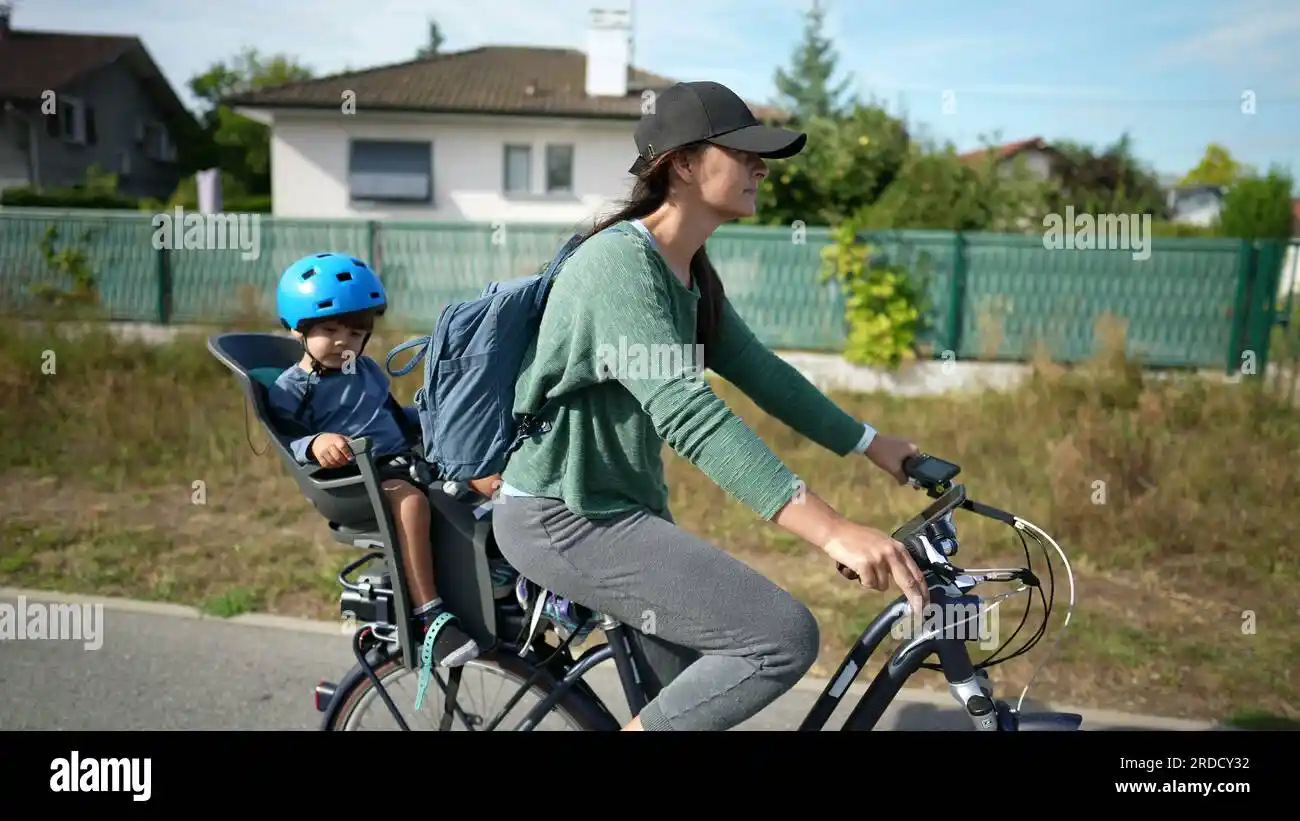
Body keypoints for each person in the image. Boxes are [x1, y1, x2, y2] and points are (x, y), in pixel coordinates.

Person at [490, 81, 931, 732]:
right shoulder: (617, 265)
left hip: (623, 510)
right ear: (686, 164)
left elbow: (763, 374)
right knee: (780, 636)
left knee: (695, 707)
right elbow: (687, 413)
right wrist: (832, 528)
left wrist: (870, 441)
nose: (762, 165)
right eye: (745, 151)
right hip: (565, 517)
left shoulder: (687, 269)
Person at [266, 253, 491, 672]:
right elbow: (289, 439)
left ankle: (505, 594)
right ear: (299, 328)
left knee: (487, 480)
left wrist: (439, 412)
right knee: (411, 502)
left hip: (403, 461)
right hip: (358, 480)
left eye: (355, 333)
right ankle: (429, 614)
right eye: (329, 329)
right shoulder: (292, 386)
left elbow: (391, 418)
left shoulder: (365, 370)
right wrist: (316, 444)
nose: (343, 342)